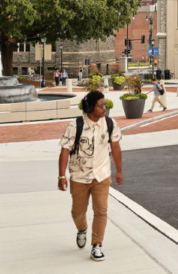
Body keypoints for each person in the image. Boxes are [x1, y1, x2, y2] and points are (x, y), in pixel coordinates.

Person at [58, 90, 123, 262]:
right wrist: (61, 176)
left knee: (101, 211)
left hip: (102, 175)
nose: (104, 108)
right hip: (79, 176)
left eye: (105, 105)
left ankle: (97, 245)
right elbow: (65, 150)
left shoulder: (110, 123)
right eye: (101, 106)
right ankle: (82, 229)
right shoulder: (75, 126)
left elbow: (115, 147)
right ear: (89, 107)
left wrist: (119, 170)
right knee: (77, 212)